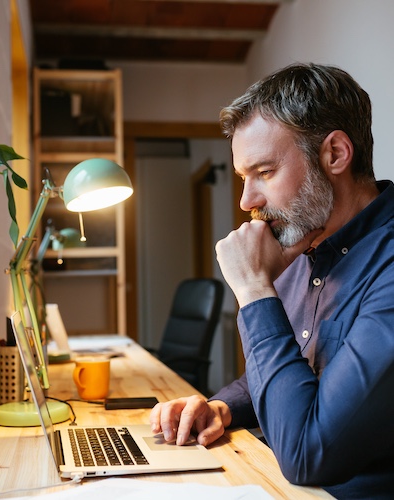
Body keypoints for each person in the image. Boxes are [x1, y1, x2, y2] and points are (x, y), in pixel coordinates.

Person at [149, 63, 394, 499]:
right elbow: (296, 366)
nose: (247, 202)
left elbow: (308, 455)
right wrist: (223, 406)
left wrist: (254, 292)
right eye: (245, 178)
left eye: (264, 172)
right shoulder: (306, 240)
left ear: (335, 153)